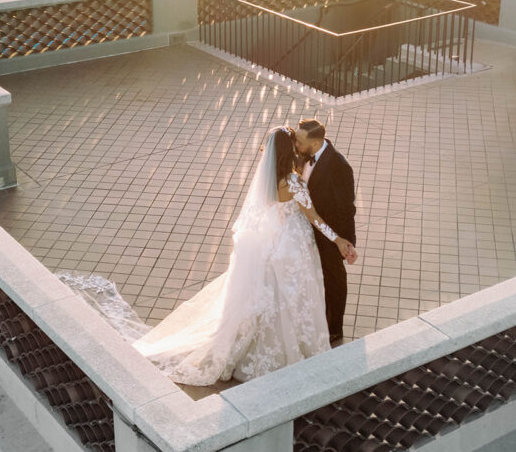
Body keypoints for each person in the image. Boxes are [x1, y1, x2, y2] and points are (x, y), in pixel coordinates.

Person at [132, 127, 356, 385]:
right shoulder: (294, 184)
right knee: (292, 295)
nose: (297, 145)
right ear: (288, 150)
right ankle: (290, 345)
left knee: (268, 295)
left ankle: (256, 343)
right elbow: (315, 218)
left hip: (269, 241)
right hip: (292, 246)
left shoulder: (268, 179)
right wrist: (338, 239)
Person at [293, 119, 356, 346]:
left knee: (334, 280)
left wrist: (345, 243)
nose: (296, 144)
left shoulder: (339, 167)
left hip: (329, 234)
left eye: (300, 141)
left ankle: (334, 329)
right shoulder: (303, 153)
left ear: (316, 142)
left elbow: (347, 208)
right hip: (304, 227)